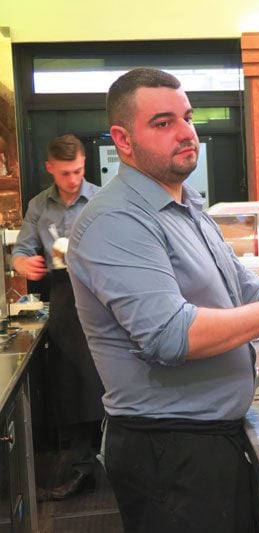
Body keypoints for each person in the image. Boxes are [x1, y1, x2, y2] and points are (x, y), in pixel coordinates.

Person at [66, 67, 259, 533]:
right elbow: (169, 335)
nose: (186, 133)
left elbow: (241, 288)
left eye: (188, 117)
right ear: (123, 141)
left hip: (212, 439)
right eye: (163, 123)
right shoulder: (116, 220)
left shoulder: (187, 204)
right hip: (169, 452)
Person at [11, 134, 104, 500]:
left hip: (102, 295)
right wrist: (23, 263)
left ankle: (126, 462)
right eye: (66, 173)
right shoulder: (38, 206)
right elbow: (21, 249)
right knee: (73, 385)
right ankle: (83, 470)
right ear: (51, 168)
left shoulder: (100, 200)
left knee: (113, 379)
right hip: (64, 298)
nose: (73, 179)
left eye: (78, 171)